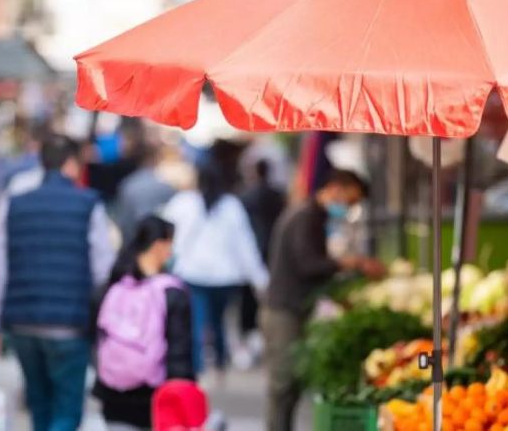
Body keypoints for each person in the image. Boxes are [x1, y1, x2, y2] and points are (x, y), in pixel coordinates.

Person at [0, 135, 116, 431]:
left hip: (22, 324)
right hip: (70, 323)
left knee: (39, 402)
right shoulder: (89, 204)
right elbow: (102, 269)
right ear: (72, 164)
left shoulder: (14, 204)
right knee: (67, 408)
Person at [263, 169, 385, 431]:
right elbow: (309, 265)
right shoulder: (305, 217)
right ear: (336, 188)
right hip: (284, 310)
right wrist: (350, 263)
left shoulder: (313, 217)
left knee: (290, 386)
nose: (349, 207)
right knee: (283, 385)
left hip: (293, 308)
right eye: (350, 201)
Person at [163, 161, 267, 374]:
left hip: (193, 274)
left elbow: (168, 236)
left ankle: (198, 368)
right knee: (218, 322)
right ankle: (219, 364)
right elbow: (245, 245)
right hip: (225, 278)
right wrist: (260, 278)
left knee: (197, 323)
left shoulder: (184, 203)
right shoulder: (231, 205)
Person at [93, 216, 193, 431]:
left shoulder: (112, 287)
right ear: (158, 246)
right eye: (169, 246)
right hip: (155, 401)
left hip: (112, 396)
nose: (171, 253)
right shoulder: (172, 292)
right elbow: (179, 353)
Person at [236, 159, 285, 367]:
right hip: (271, 249)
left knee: (249, 299)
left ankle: (253, 337)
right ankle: (258, 338)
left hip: (254, 249)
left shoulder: (245, 196)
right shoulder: (277, 195)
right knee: (268, 295)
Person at [114, 145, 176, 245]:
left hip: (133, 243)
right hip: (157, 245)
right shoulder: (166, 187)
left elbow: (123, 222)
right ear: (155, 159)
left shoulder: (127, 185)